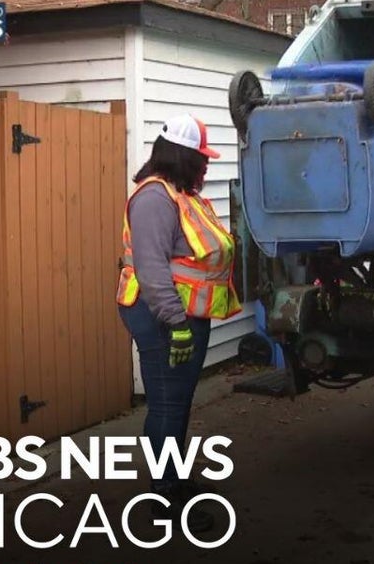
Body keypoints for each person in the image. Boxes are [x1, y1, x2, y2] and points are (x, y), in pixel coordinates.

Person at [115, 114, 242, 534]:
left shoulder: (179, 194)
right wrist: (177, 322)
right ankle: (164, 499)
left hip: (184, 315)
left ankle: (173, 479)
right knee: (168, 405)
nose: (205, 167)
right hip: (162, 317)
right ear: (183, 156)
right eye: (201, 159)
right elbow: (151, 271)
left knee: (179, 402)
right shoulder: (154, 199)